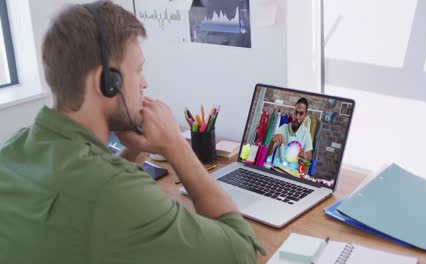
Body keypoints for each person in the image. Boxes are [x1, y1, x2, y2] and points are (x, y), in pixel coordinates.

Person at [0, 1, 263, 263]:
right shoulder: (114, 194)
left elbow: (89, 188)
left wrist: (137, 146)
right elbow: (243, 251)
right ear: (107, 82)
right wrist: (175, 146)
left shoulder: (13, 150)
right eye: (138, 70)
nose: (145, 82)